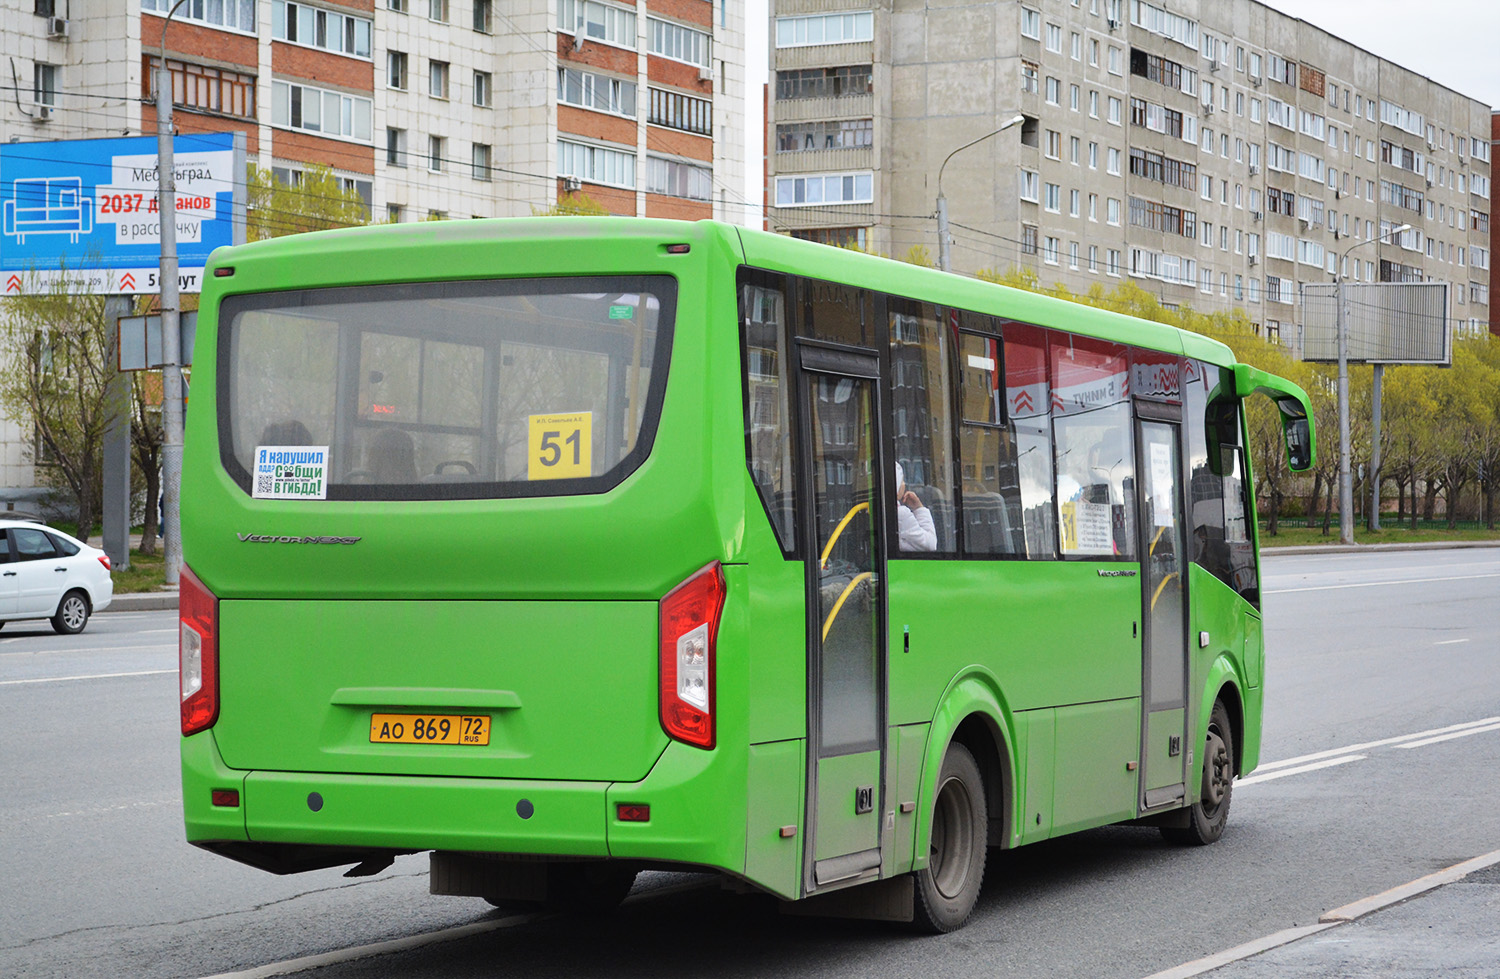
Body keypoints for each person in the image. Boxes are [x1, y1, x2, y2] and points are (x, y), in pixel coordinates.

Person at [895, 461, 937, 552]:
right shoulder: (901, 514)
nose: (904, 484)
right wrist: (919, 509)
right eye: (902, 481)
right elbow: (930, 544)